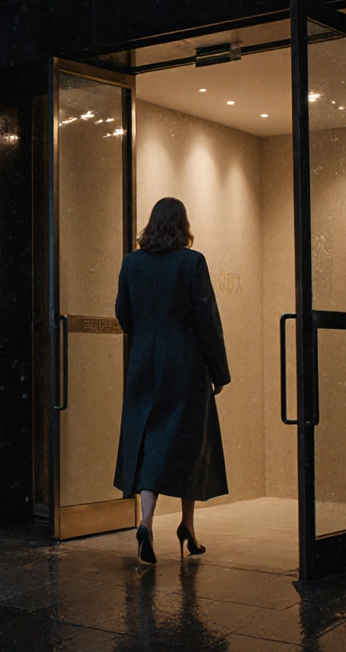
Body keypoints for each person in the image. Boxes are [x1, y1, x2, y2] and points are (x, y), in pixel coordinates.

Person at [114, 197, 231, 565]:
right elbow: (207, 319)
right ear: (183, 225)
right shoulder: (192, 263)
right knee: (188, 443)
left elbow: (123, 312)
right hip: (185, 362)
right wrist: (219, 371)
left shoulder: (131, 263)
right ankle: (187, 526)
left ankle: (146, 522)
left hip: (144, 362)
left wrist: (146, 337)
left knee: (149, 439)